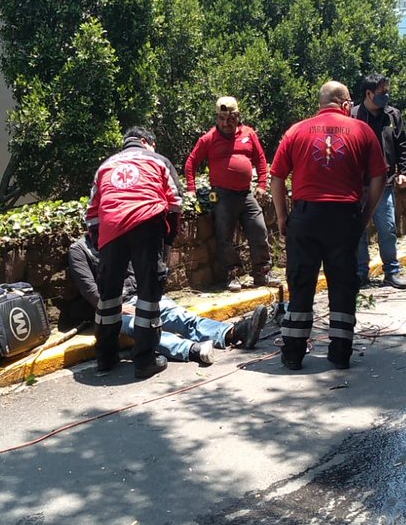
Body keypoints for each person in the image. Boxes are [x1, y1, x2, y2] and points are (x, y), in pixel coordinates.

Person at [270, 81, 387, 371]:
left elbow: (276, 177)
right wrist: (364, 215)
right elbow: (379, 179)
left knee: (300, 284)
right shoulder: (362, 130)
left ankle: (293, 354)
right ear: (347, 105)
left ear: (320, 104)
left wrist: (283, 216)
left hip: (305, 217)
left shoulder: (296, 131)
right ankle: (339, 354)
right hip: (343, 217)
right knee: (343, 286)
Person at [68, 231, 269, 365]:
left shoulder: (119, 238)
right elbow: (91, 292)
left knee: (179, 315)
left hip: (140, 296)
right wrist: (119, 308)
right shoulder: (79, 250)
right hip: (114, 309)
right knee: (143, 327)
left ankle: (232, 333)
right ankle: (192, 350)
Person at [86, 127, 182, 380]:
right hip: (145, 223)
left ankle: (105, 358)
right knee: (148, 295)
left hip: (110, 229)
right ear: (145, 142)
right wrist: (168, 239)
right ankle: (145, 360)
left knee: (108, 298)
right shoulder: (158, 160)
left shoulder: (105, 166)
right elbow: (175, 201)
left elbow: (92, 211)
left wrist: (100, 245)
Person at [185, 96, 281, 292]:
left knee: (259, 230)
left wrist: (262, 184)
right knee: (224, 236)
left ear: (238, 116)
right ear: (216, 118)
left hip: (246, 194)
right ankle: (233, 274)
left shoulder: (249, 134)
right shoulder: (209, 138)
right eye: (221, 118)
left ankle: (262, 272)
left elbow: (261, 159)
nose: (225, 123)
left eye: (230, 118)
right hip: (222, 195)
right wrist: (191, 190)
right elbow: (191, 162)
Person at [351, 72, 406, 290]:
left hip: (384, 183)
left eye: (387, 91)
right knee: (358, 229)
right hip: (357, 185)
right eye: (382, 92)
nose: (386, 95)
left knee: (388, 228)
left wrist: (403, 170)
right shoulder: (352, 115)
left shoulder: (393, 115)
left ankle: (391, 272)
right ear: (368, 93)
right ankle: (360, 272)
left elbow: (401, 144)